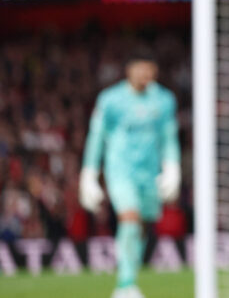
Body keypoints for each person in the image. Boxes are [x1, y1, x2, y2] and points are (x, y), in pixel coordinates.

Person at [79, 51, 181, 298]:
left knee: (142, 225)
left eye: (151, 70)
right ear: (129, 70)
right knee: (129, 218)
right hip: (120, 170)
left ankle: (130, 277)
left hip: (149, 173)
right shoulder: (110, 100)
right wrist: (89, 173)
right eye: (142, 69)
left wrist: (172, 167)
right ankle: (125, 285)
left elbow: (168, 137)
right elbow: (96, 137)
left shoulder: (164, 100)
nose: (146, 75)